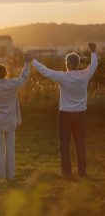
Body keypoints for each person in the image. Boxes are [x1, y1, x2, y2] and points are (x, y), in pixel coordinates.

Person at [30, 43, 98, 178]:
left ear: (67, 63)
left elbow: (46, 71)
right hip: (81, 115)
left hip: (65, 116)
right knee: (80, 145)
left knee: (64, 146)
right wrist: (93, 51)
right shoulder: (85, 75)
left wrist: (32, 60)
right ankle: (82, 172)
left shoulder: (62, 76)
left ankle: (67, 173)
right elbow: (94, 65)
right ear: (78, 63)